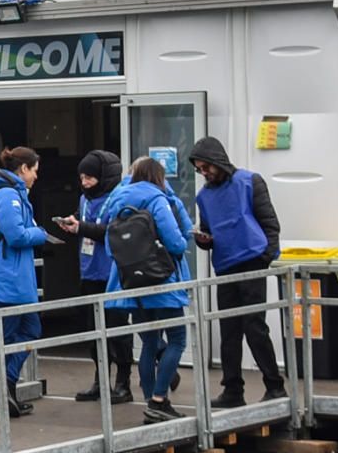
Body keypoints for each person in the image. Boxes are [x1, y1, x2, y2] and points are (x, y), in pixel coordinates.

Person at [189, 134, 286, 407]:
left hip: (252, 259)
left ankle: (275, 386)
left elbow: (269, 221)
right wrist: (202, 239)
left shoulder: (249, 181)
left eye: (206, 167)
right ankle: (233, 390)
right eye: (199, 170)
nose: (203, 173)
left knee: (254, 325)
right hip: (226, 264)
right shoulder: (204, 197)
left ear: (217, 161)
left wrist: (267, 256)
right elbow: (207, 230)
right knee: (229, 329)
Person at [0, 147, 50, 417]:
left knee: (27, 332)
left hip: (15, 279)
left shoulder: (14, 194)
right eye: (35, 171)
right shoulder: (7, 196)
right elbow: (15, 236)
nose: (36, 177)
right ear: (23, 169)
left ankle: (5, 392)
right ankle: (1, 395)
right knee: (9, 337)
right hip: (8, 280)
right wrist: (41, 234)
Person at [121, 157, 198, 420]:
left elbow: (110, 245)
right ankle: (158, 399)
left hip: (133, 283)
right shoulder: (157, 199)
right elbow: (176, 243)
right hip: (162, 281)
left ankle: (149, 400)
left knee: (149, 344)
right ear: (157, 177)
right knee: (177, 339)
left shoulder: (118, 200)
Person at [56, 149, 134, 405]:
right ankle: (100, 380)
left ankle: (123, 382)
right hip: (89, 271)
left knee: (117, 330)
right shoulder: (84, 199)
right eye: (82, 178)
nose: (85, 183)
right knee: (92, 330)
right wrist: (72, 223)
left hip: (112, 272)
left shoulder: (119, 197)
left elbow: (114, 230)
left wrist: (82, 227)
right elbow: (86, 223)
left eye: (90, 177)